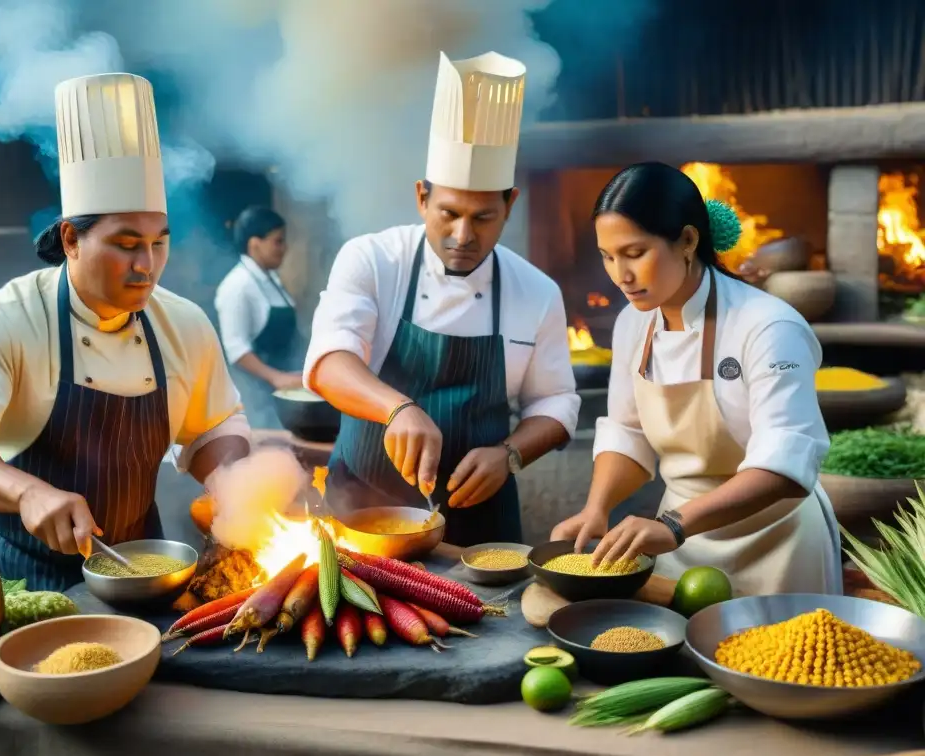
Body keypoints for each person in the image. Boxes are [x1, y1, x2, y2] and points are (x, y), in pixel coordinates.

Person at [0, 73, 252, 591]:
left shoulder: (183, 324)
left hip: (133, 572)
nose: (147, 265)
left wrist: (235, 490)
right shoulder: (7, 317)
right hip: (13, 575)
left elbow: (215, 427)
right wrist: (25, 493)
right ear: (70, 238)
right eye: (126, 243)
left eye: (159, 243)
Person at [303, 51, 580, 546]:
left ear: (509, 205)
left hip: (482, 526)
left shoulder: (536, 291)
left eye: (483, 218)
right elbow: (329, 363)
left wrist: (511, 454)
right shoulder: (372, 259)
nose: (462, 235)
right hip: (361, 508)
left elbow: (557, 401)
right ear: (421, 198)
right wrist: (396, 408)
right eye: (448, 213)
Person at [550, 161, 842, 596]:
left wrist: (673, 524)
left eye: (634, 253)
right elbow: (629, 432)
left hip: (776, 545)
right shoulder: (635, 323)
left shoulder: (768, 326)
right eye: (608, 257)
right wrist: (597, 508)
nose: (620, 276)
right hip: (683, 548)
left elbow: (784, 465)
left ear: (688, 240)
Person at [214, 206, 306, 430]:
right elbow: (236, 350)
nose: (284, 248)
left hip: (284, 391)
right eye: (278, 241)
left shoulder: (272, 279)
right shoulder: (237, 286)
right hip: (255, 397)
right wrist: (277, 378)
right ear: (255, 243)